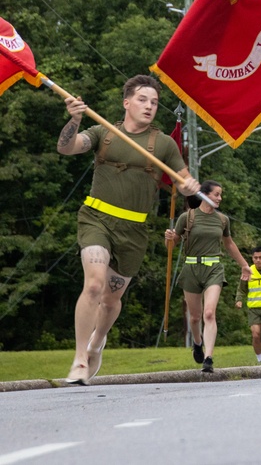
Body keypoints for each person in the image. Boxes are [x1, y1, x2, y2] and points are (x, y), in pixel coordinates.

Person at [58, 75, 200, 384]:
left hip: (134, 230)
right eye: (142, 100)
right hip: (96, 218)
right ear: (127, 103)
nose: (149, 106)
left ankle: (97, 343)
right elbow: (67, 147)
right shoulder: (103, 132)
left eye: (154, 102)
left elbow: (183, 178)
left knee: (111, 299)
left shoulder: (163, 143)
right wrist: (75, 119)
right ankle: (80, 358)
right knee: (94, 285)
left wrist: (189, 184)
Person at [165, 180, 251, 373]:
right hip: (191, 269)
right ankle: (197, 343)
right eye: (216, 194)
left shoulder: (222, 220)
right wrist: (169, 239)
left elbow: (229, 244)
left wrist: (244, 265)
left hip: (214, 268)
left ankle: (209, 358)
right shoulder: (187, 218)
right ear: (204, 195)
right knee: (195, 317)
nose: (220, 198)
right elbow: (171, 247)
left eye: (221, 195)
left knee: (209, 313)